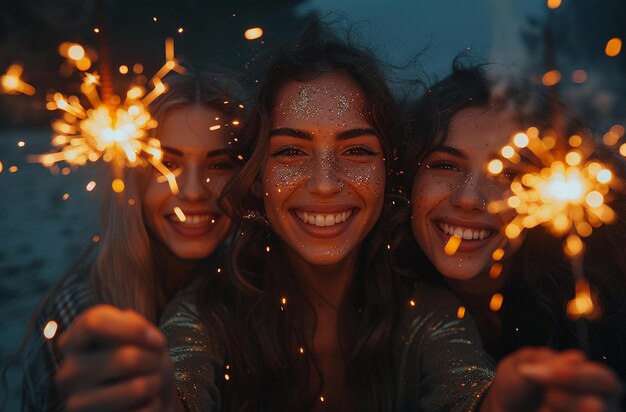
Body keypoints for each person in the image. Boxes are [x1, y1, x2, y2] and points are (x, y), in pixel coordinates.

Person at [159, 26, 621, 412]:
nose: (324, 183)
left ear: (390, 174)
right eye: (292, 151)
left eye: (357, 150)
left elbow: (465, 388)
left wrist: (496, 403)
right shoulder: (202, 313)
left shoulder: (426, 311)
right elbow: (177, 383)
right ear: (256, 176)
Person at [17, 70, 244, 411]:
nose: (194, 191)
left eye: (220, 164)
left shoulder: (256, 284)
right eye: (166, 163)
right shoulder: (80, 310)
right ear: (131, 177)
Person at [398, 60, 626, 385]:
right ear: (409, 178)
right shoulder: (375, 305)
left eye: (507, 173)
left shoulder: (599, 320)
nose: (468, 198)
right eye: (446, 165)